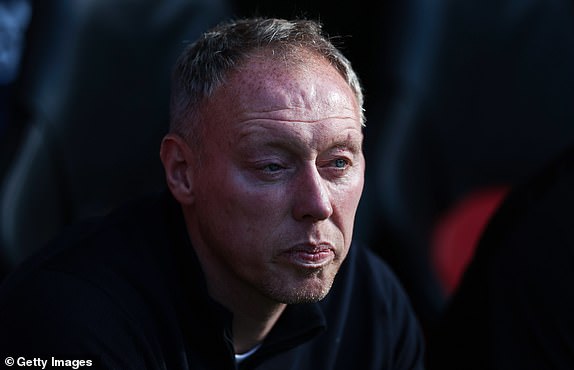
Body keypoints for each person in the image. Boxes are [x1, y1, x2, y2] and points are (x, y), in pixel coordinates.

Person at [0, 17, 424, 369]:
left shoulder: (370, 302)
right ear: (182, 172)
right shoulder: (68, 324)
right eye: (272, 166)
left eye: (338, 164)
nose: (317, 204)